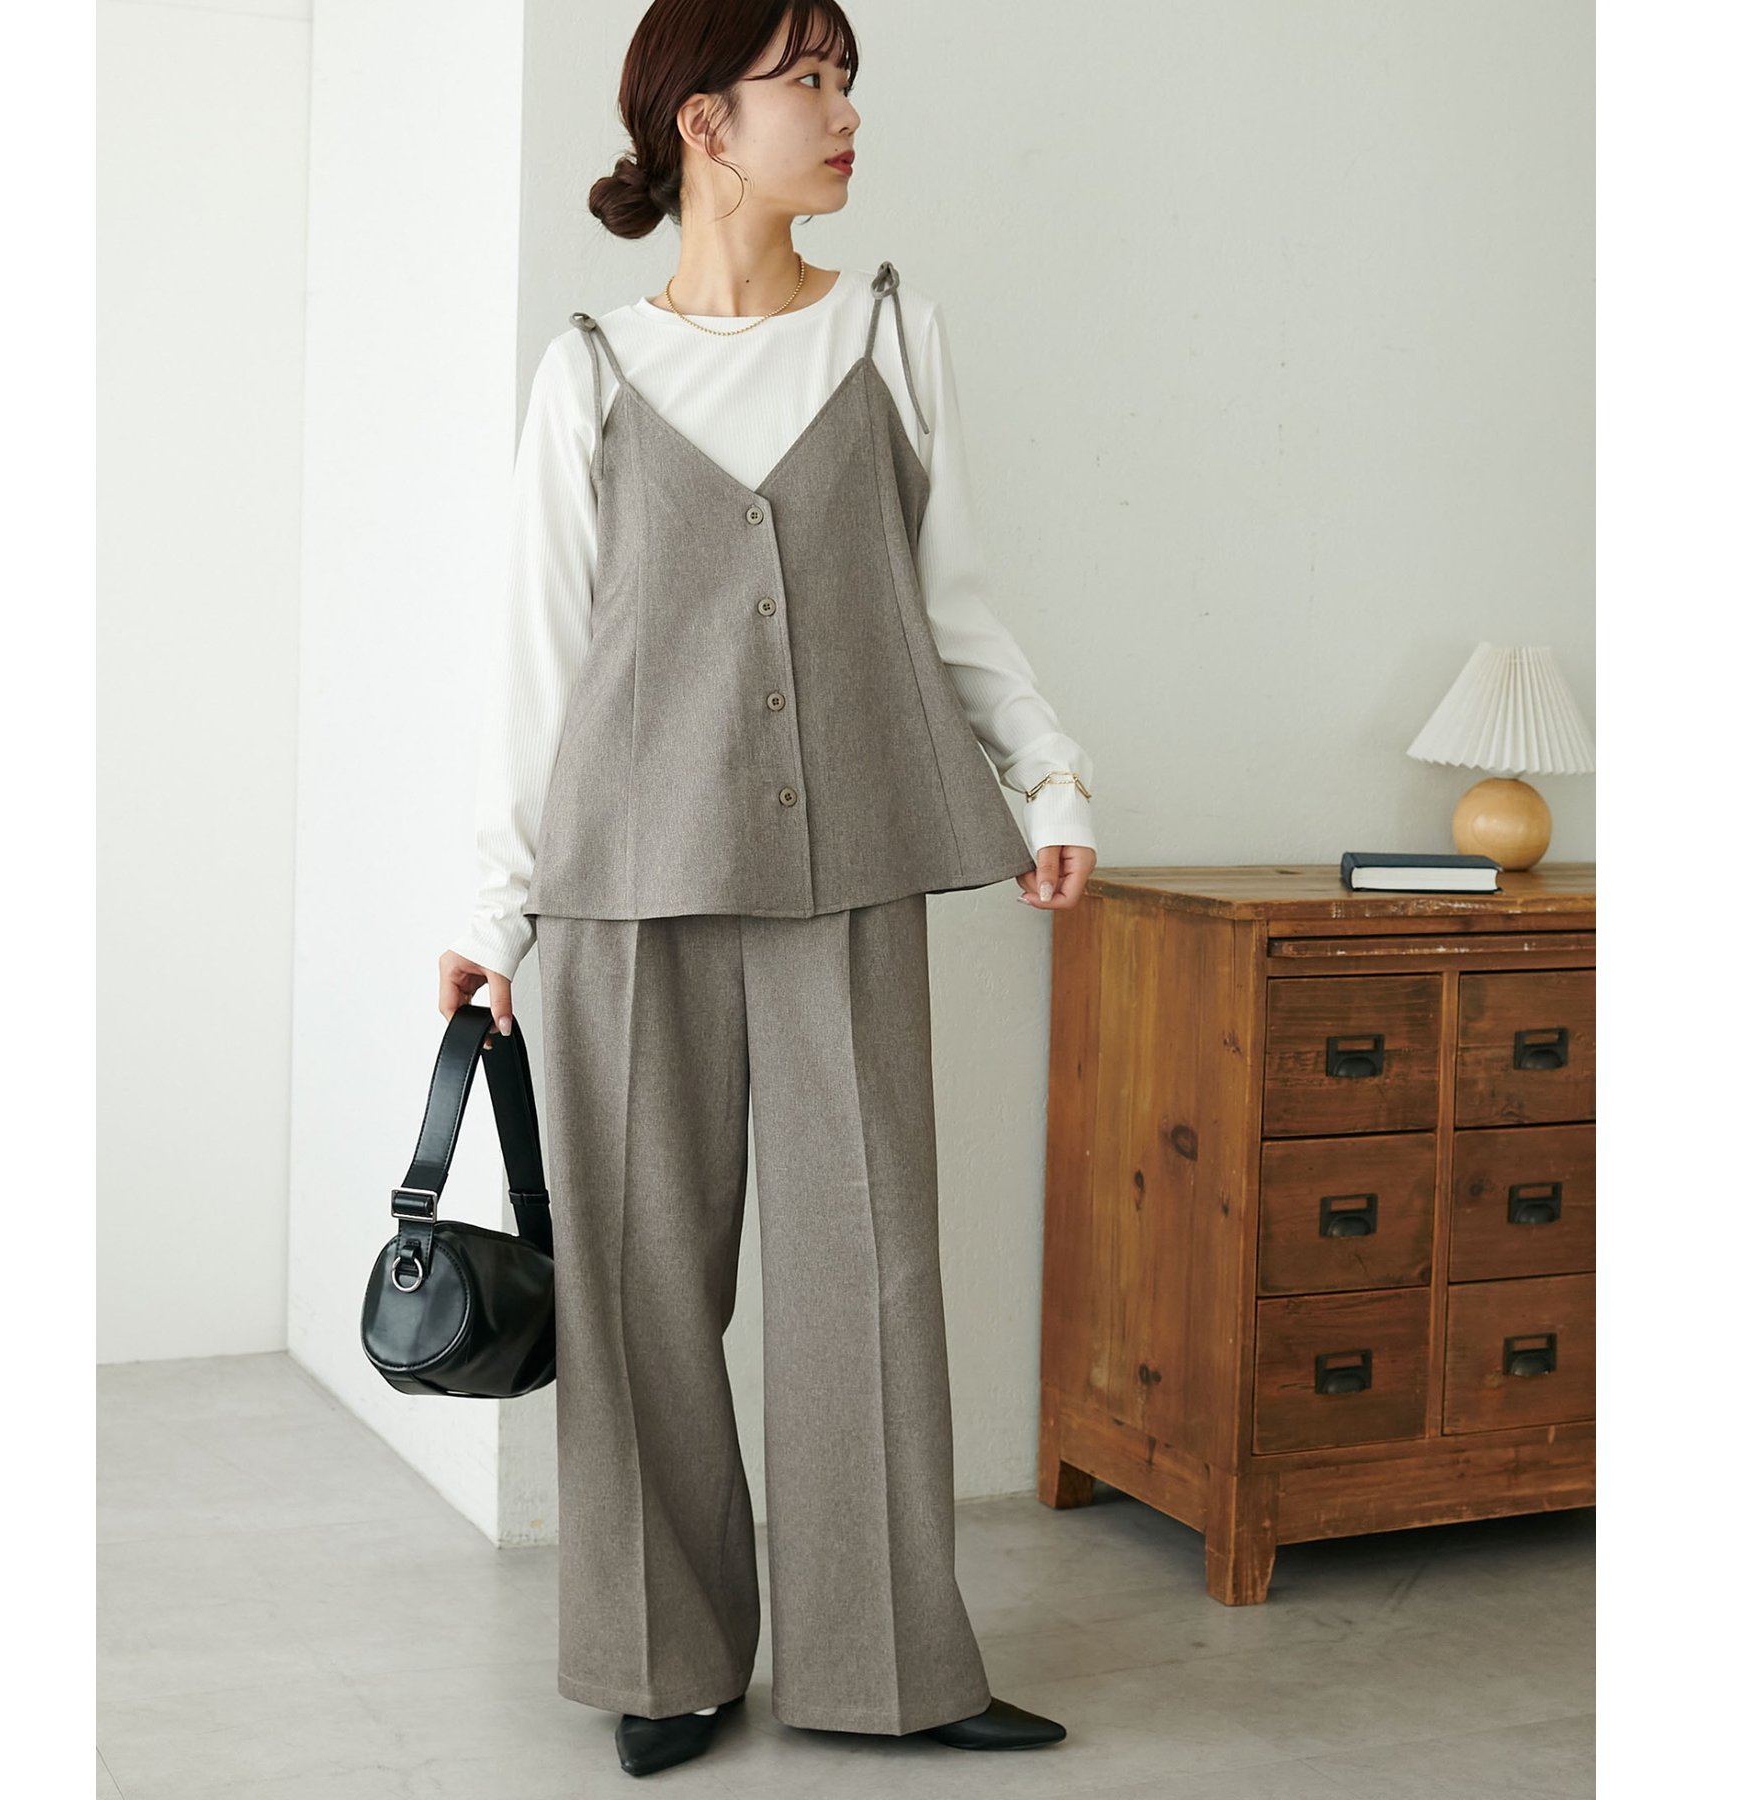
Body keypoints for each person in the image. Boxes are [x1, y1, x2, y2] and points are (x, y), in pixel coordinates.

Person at [439, 0, 1095, 1778]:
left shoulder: (890, 333)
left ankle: (893, 1671)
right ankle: (664, 1661)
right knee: (639, 1285)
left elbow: (954, 603)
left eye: (847, 76)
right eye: (808, 78)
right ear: (705, 122)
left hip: (853, 865)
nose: (844, 106)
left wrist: (1049, 774)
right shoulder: (589, 367)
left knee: (869, 1271)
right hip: (624, 888)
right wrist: (492, 917)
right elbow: (538, 665)